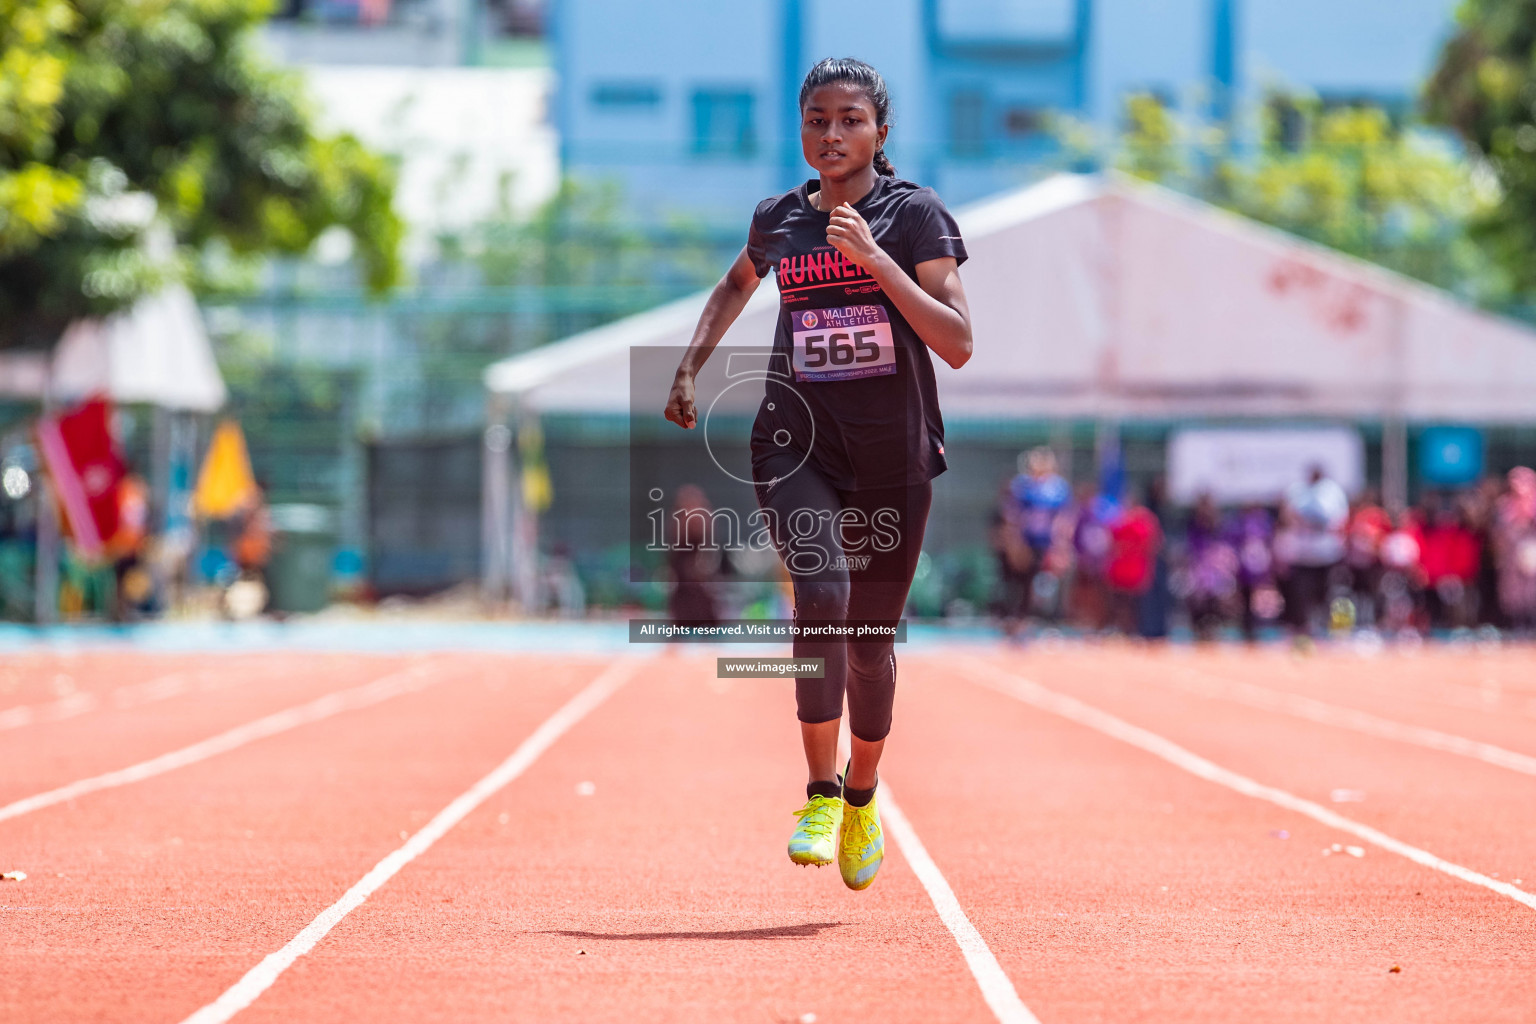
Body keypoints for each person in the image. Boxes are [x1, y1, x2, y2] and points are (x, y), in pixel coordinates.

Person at [663, 57, 972, 891]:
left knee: (869, 646)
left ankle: (864, 795)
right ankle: (819, 791)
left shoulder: (915, 218)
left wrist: (878, 262)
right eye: (816, 121)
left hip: (894, 456)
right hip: (795, 444)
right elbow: (734, 285)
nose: (831, 136)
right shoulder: (778, 220)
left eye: (849, 120)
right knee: (822, 597)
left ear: (881, 129)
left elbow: (958, 340)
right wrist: (691, 367)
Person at [1281, 464, 1349, 638]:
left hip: (1328, 554)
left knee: (1330, 594)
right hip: (1303, 555)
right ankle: (1302, 629)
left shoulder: (1333, 491)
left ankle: (1334, 630)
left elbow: (1341, 520)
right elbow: (1287, 516)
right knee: (1301, 595)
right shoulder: (1298, 491)